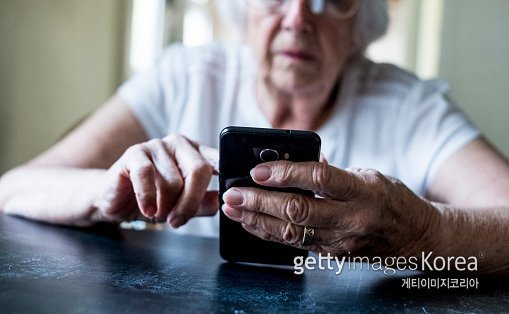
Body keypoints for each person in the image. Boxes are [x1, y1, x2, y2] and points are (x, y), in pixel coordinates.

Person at [1, 0, 508, 274]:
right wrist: (107, 192)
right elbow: (14, 187)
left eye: (330, 0)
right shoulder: (186, 74)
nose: (298, 18)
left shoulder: (409, 105)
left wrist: (422, 233)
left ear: (361, 23)